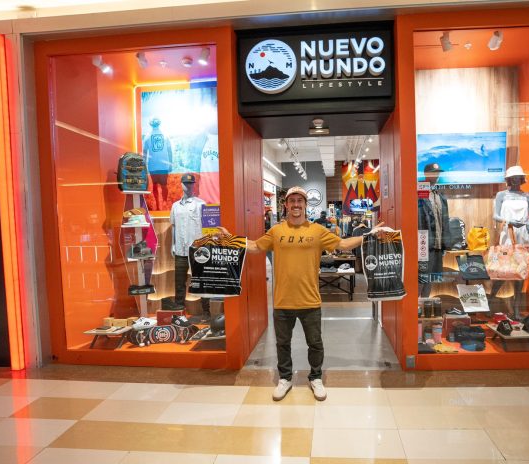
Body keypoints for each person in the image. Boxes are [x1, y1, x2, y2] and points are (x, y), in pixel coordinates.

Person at [218, 186, 385, 402]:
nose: (296, 204)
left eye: (300, 201)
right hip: (282, 300)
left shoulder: (317, 231)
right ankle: (285, 378)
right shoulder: (276, 231)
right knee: (282, 344)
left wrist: (369, 235)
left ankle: (315, 377)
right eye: (292, 201)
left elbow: (342, 244)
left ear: (306, 205)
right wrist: (231, 239)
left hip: (310, 300)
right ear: (286, 205)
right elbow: (256, 246)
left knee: (315, 343)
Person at [490, 165, 529, 320]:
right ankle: (490, 301)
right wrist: (509, 221)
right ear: (509, 179)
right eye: (513, 178)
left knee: (520, 272)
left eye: (518, 177)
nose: (516, 180)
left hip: (523, 234)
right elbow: (496, 215)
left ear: (522, 179)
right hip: (508, 233)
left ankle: (516, 310)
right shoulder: (501, 195)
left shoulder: (528, 196)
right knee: (503, 270)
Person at [170, 173, 211, 321]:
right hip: (180, 249)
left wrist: (207, 246)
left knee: (201, 280)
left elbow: (207, 228)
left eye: (190, 183)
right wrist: (173, 244)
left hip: (197, 250)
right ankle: (179, 311)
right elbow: (173, 226)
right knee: (179, 282)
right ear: (181, 184)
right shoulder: (175, 206)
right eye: (186, 183)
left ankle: (206, 311)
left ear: (194, 185)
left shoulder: (201, 204)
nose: (188, 186)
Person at [417, 163, 452, 298]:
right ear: (426, 174)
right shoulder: (419, 192)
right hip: (424, 244)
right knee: (421, 278)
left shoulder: (439, 196)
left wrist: (445, 243)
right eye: (433, 172)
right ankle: (415, 305)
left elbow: (444, 220)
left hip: (437, 244)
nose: (436, 175)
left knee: (431, 278)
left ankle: (424, 304)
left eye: (438, 173)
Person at [143, 117, 173, 210]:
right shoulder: (165, 135)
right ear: (159, 124)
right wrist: (170, 164)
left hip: (153, 166)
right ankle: (164, 202)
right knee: (164, 185)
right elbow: (169, 151)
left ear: (150, 124)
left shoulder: (147, 136)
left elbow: (144, 153)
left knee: (155, 185)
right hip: (163, 165)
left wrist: (144, 166)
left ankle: (157, 204)